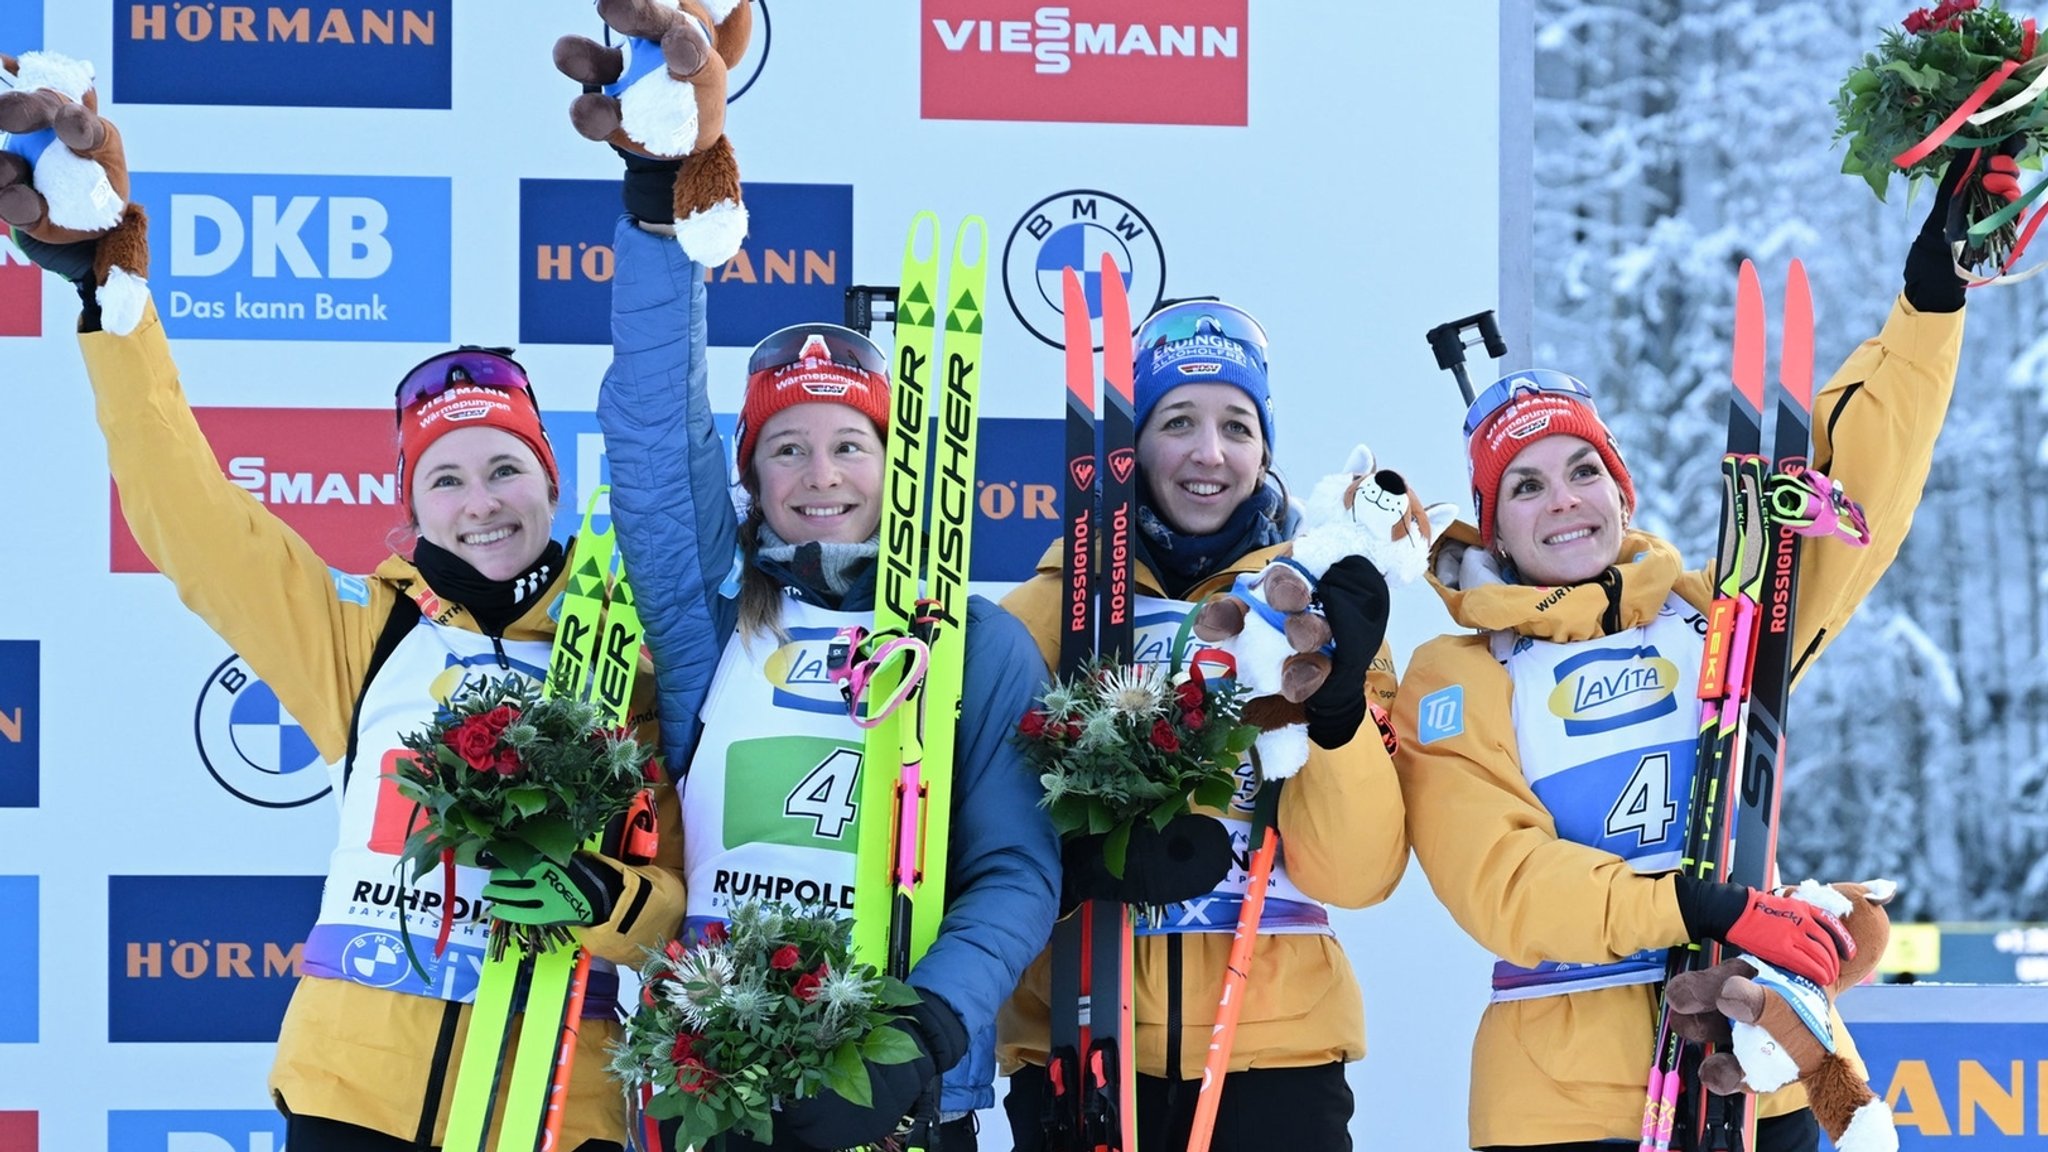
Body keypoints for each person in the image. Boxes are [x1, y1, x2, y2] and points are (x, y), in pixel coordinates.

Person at [6, 109, 684, 1152]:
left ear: (550, 481)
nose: (481, 502)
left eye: (506, 468)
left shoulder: (617, 661)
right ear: (413, 509)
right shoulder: (368, 640)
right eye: (445, 479)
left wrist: (600, 893)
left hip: (560, 1102)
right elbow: (186, 511)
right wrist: (114, 303)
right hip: (355, 1095)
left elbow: (667, 905)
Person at [1392, 152, 1990, 1151]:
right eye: (1525, 487)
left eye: (1582, 468)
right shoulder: (1459, 673)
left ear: (1619, 488)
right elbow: (1502, 885)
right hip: (1561, 1102)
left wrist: (1926, 308)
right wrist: (1693, 903)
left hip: (1759, 1072)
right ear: (1491, 524)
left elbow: (1850, 490)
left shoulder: (1714, 614)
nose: (1564, 501)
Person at [591, 153, 1060, 1149]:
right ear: (750, 475)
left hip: (894, 1079)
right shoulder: (708, 616)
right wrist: (657, 223)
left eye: (850, 444)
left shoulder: (973, 644)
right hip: (709, 1066)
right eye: (786, 448)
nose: (820, 476)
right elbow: (647, 435)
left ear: (896, 466)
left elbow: (1015, 867)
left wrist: (922, 1030)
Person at [995, 299, 1409, 1151]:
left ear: (1266, 449)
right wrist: (1084, 859)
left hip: (1277, 1053)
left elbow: (1359, 871)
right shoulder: (1042, 613)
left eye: (1238, 425)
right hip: (1079, 1044)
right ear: (1132, 444)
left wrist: (1333, 715)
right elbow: (988, 832)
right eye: (1177, 420)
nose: (1209, 453)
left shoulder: (1312, 618)